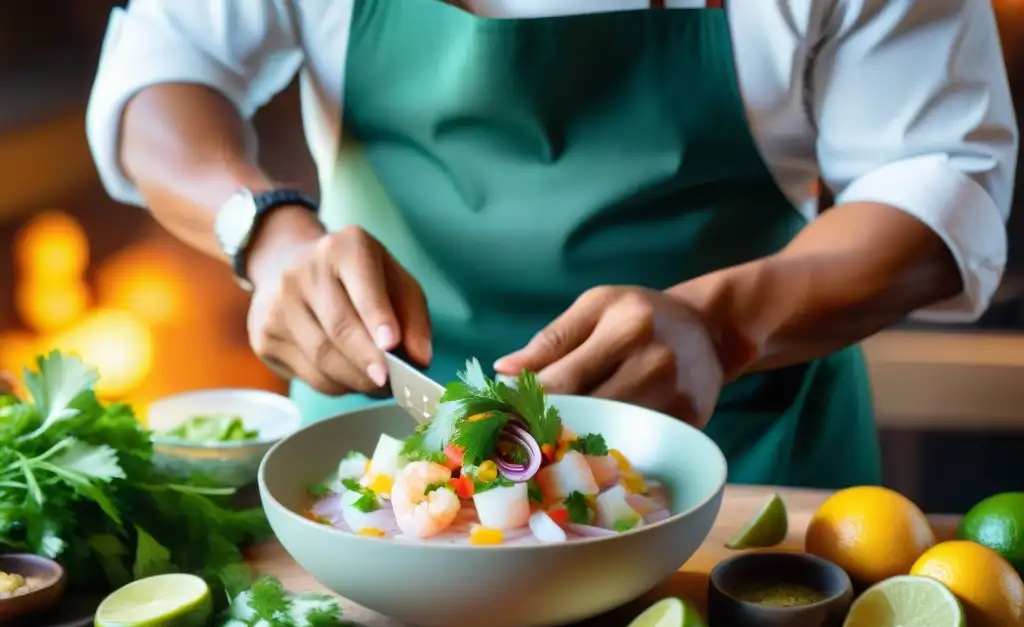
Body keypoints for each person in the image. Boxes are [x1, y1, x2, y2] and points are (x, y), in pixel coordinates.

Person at [85, 0, 1017, 489]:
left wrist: (721, 327)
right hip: (378, 467)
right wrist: (269, 231)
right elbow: (167, 73)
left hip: (741, 466)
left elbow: (942, 178)